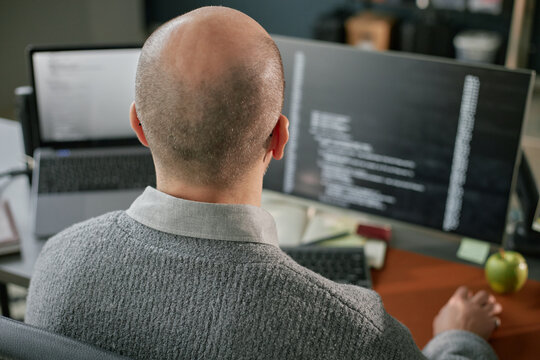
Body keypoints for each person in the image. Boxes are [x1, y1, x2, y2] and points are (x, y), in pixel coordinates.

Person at [25, 6, 502, 359]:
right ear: (279, 137)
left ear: (139, 127)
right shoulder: (352, 333)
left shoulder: (58, 263)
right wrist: (460, 337)